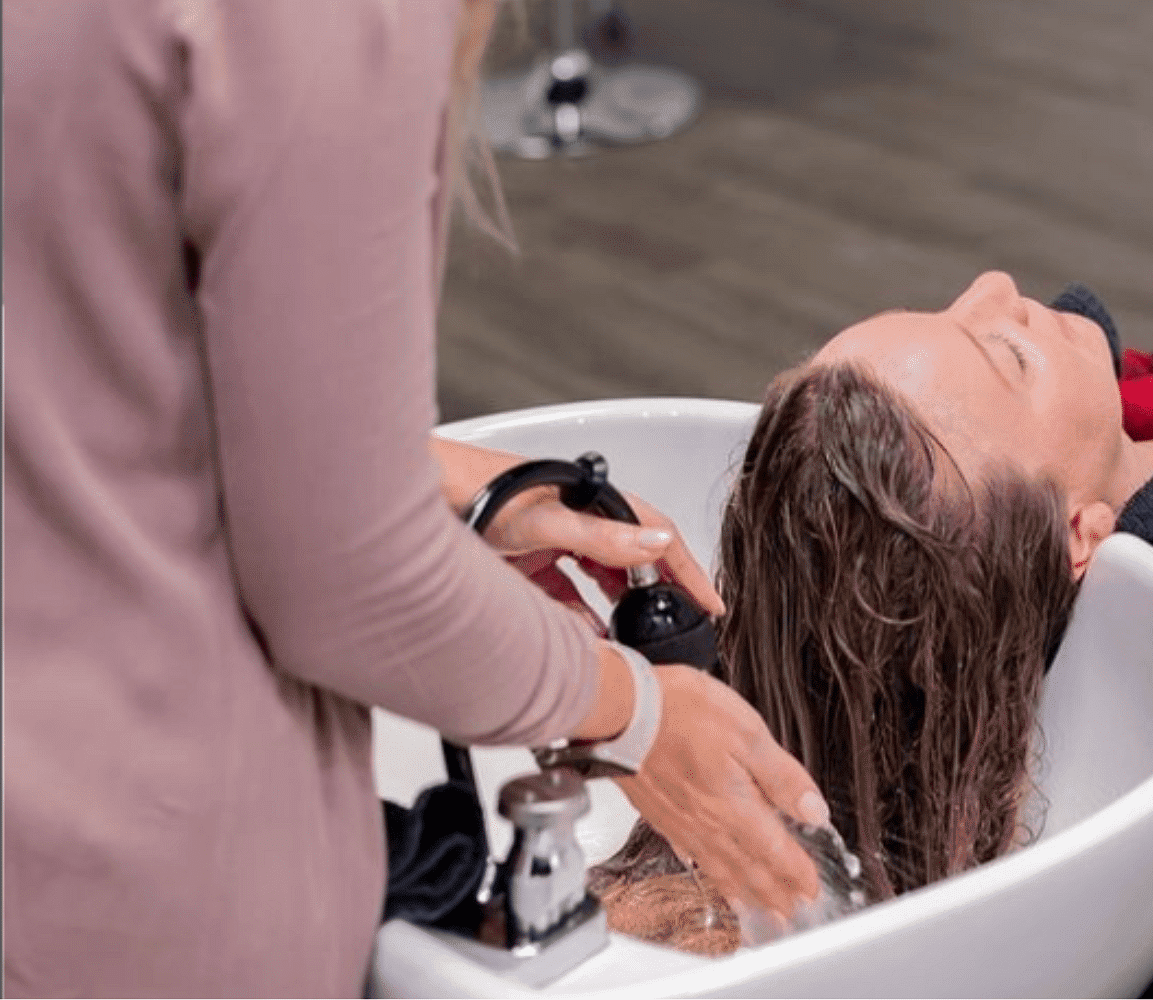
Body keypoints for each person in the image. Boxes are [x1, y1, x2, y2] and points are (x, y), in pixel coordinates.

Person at [2, 2, 826, 996]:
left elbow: (82, 342)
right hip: (147, 874)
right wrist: (633, 713)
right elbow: (344, 583)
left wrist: (425, 476)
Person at [589, 270, 1153, 955]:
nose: (995, 287)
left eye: (952, 313)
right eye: (1007, 356)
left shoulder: (1101, 415)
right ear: (1075, 539)